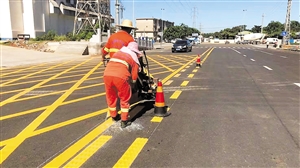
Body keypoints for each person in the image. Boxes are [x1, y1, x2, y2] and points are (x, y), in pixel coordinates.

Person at [103, 41, 142, 128]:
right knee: (124, 98)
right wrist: (133, 85)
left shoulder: (118, 54)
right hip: (121, 77)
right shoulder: (132, 57)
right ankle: (124, 120)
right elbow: (134, 76)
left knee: (111, 96)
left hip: (107, 75)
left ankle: (114, 115)